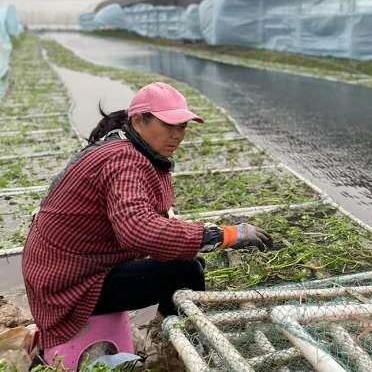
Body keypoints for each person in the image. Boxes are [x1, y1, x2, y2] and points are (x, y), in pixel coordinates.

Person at [22, 81, 273, 351]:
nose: (177, 135)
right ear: (139, 120)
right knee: (184, 271)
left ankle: (176, 334)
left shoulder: (125, 148)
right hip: (68, 288)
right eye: (168, 125)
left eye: (183, 126)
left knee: (187, 262)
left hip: (69, 272)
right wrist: (221, 234)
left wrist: (199, 238)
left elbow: (144, 223)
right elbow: (138, 229)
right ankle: (187, 346)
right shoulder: (123, 160)